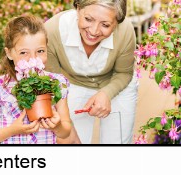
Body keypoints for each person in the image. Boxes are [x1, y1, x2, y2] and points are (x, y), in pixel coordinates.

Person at [45, 0, 138, 144]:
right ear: (78, 9)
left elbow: (123, 73)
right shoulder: (52, 31)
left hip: (117, 83)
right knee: (73, 140)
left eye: (105, 25)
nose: (94, 31)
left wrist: (106, 93)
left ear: (116, 23)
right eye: (88, 19)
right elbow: (53, 81)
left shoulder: (125, 31)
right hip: (70, 85)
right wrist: (65, 122)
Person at [0, 15, 79, 144]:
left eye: (40, 51)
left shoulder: (57, 82)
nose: (33, 59)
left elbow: (66, 131)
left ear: (47, 49)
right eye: (24, 52)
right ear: (9, 53)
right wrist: (13, 130)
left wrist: (57, 126)